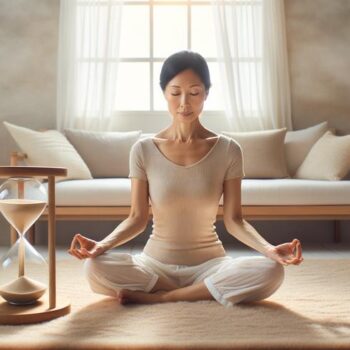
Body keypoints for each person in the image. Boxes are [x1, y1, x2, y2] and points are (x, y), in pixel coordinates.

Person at [68, 50, 303, 307]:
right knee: (94, 267)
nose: (184, 103)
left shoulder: (228, 150)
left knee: (272, 271)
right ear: (164, 93)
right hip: (154, 266)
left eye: (194, 93)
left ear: (206, 94)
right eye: (175, 92)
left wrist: (268, 249)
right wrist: (101, 246)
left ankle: (166, 297)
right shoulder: (143, 149)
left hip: (211, 266)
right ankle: (195, 292)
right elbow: (137, 218)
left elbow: (234, 220)